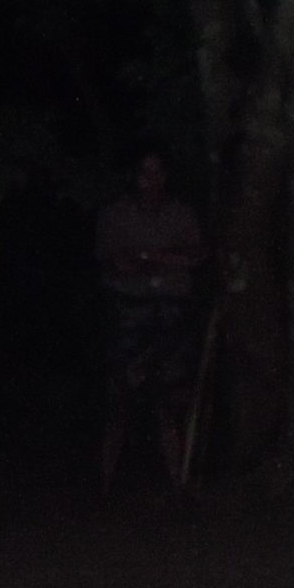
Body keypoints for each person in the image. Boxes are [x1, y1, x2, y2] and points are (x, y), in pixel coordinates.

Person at [94, 146, 204, 488]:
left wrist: (154, 258)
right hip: (129, 314)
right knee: (119, 399)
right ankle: (105, 480)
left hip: (171, 314)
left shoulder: (181, 214)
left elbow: (194, 257)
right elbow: (115, 262)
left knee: (171, 399)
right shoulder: (117, 214)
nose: (151, 180)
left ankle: (178, 480)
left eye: (157, 172)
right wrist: (152, 260)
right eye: (145, 172)